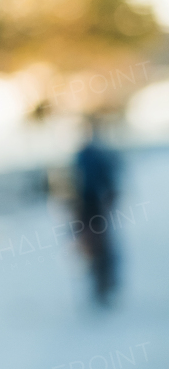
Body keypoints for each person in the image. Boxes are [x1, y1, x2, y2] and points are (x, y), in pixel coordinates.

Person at [74, 118, 121, 306]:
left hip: (95, 205)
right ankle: (101, 283)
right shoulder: (84, 155)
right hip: (89, 206)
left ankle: (105, 282)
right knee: (95, 245)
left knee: (100, 245)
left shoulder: (95, 155)